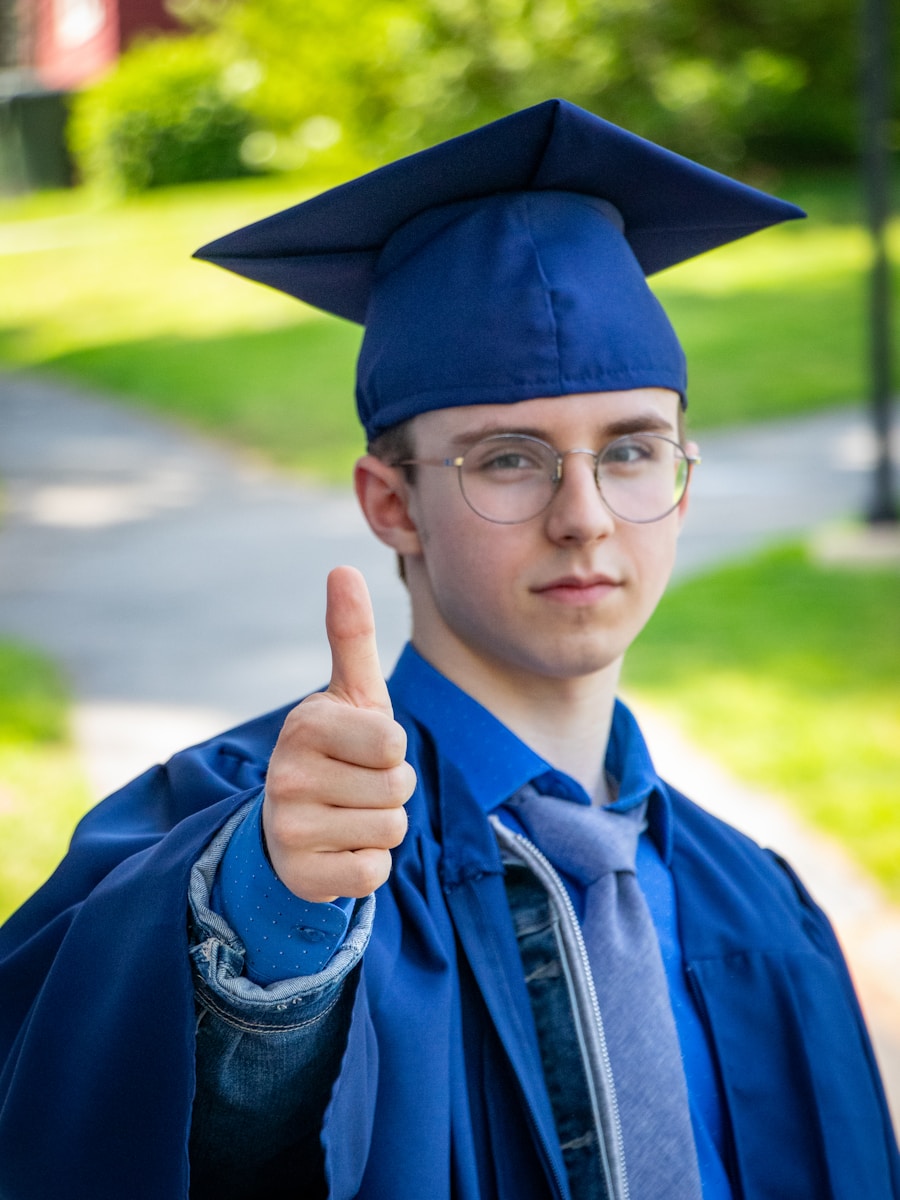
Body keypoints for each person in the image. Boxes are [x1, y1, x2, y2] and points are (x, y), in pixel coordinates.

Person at [0, 99, 897, 1200]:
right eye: (508, 460)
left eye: (631, 451)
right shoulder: (281, 840)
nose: (586, 518)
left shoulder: (757, 898)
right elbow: (109, 1129)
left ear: (683, 478)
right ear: (392, 503)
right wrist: (270, 940)